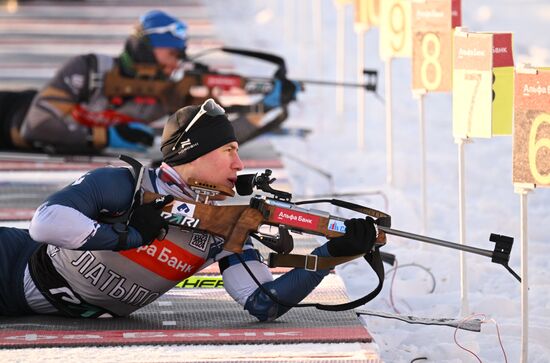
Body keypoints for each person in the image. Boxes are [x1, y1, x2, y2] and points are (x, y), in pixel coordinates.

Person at [0, 98, 377, 320]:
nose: (239, 164)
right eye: (229, 151)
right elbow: (45, 224)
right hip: (11, 264)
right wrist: (129, 235)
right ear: (193, 155)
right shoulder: (127, 185)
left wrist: (329, 255)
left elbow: (264, 302)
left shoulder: (224, 222)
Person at [0, 10, 301, 155]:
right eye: (170, 52)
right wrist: (107, 136)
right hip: (9, 115)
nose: (175, 61)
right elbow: (35, 126)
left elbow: (219, 134)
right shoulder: (89, 67)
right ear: (145, 46)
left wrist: (264, 105)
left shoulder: (171, 94)